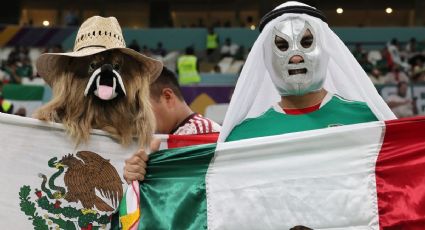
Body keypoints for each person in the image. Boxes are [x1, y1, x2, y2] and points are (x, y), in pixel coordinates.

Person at [218, 1, 395, 142]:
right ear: (266, 58)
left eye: (307, 42)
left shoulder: (369, 122)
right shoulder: (243, 139)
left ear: (327, 49)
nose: (296, 57)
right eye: (281, 45)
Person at [123, 67, 221, 182]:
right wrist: (136, 173)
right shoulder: (162, 140)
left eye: (143, 107)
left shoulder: (208, 134)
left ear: (167, 97)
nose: (139, 116)